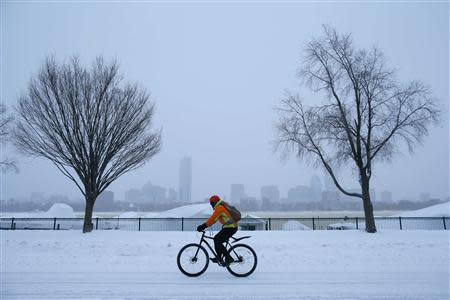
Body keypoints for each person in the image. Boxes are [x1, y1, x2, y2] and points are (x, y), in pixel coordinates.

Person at [196, 195, 238, 266]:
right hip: (229, 227)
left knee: (217, 239)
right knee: (217, 239)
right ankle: (219, 257)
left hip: (231, 227)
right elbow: (214, 219)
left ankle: (228, 258)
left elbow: (213, 219)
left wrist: (203, 226)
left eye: (211, 204)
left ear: (214, 202)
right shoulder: (221, 206)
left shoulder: (220, 208)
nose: (211, 205)